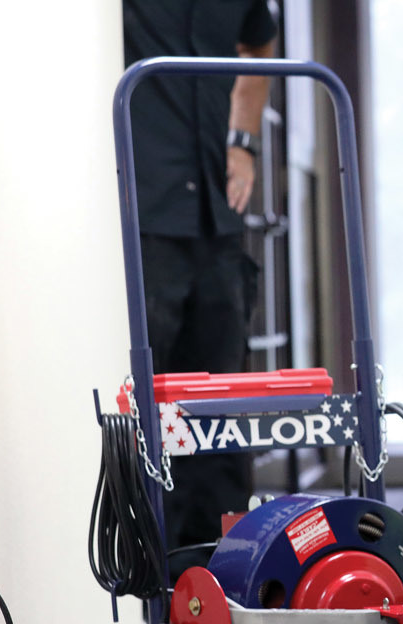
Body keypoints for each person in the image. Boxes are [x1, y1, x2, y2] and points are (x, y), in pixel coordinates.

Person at [123, 0, 278, 561]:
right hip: (145, 213)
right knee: (147, 408)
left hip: (215, 214)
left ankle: (220, 570)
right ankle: (154, 574)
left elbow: (260, 44)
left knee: (222, 400)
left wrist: (243, 140)